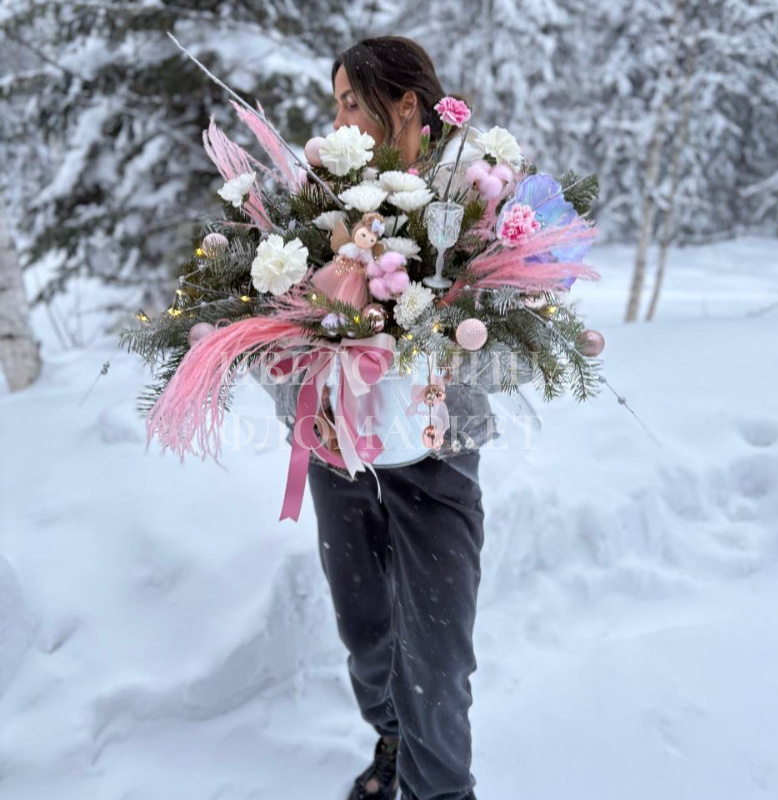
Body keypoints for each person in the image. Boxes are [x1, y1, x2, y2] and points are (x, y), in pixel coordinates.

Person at [261, 36, 533, 800]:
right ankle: (392, 741)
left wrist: (441, 353)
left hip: (435, 464)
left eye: (352, 102)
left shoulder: (470, 202)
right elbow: (269, 334)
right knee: (365, 628)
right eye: (336, 103)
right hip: (339, 460)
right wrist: (305, 401)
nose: (337, 122)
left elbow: (520, 345)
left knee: (438, 652)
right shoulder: (316, 205)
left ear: (406, 104)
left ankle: (439, 790)